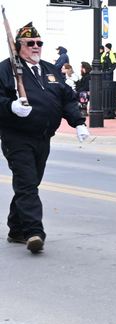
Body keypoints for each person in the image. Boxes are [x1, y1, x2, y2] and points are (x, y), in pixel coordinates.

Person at [0, 22, 90, 253]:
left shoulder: (50, 70)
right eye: (30, 43)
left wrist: (78, 122)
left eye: (39, 43)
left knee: (29, 183)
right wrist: (10, 106)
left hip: (43, 137)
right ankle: (33, 232)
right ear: (18, 45)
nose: (36, 47)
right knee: (28, 183)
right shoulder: (6, 70)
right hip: (17, 137)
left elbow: (67, 98)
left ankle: (16, 228)